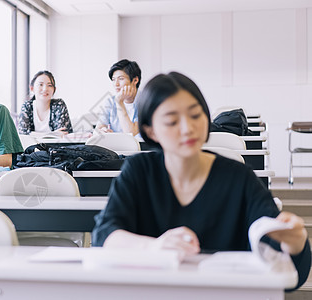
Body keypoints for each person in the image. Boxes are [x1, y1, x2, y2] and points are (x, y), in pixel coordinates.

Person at [92, 72, 310, 290]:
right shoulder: (139, 171)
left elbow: (286, 266)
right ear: (150, 130)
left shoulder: (238, 177)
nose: (188, 128)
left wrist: (295, 242)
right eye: (172, 121)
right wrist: (154, 247)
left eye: (195, 116)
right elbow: (105, 236)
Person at [94, 59, 141, 136]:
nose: (116, 84)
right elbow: (98, 129)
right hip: (115, 146)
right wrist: (102, 131)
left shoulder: (145, 101)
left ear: (135, 80)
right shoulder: (110, 102)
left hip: (140, 147)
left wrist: (119, 102)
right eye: (113, 79)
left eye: (121, 79)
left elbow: (131, 133)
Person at [18, 70, 73, 135]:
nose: (45, 89)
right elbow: (23, 134)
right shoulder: (27, 106)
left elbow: (63, 133)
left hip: (58, 145)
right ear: (32, 88)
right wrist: (51, 134)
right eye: (40, 84)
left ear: (54, 90)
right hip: (32, 145)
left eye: (49, 85)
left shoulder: (59, 105)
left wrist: (34, 134)